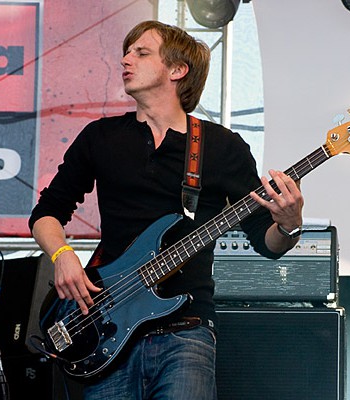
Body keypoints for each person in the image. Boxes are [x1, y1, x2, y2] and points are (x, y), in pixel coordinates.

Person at [29, 20, 304, 400]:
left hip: (185, 330)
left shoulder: (221, 146)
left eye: (141, 53)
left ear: (177, 70)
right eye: (127, 51)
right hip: (108, 325)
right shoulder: (101, 137)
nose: (126, 59)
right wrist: (62, 255)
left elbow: (266, 241)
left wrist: (289, 224)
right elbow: (46, 212)